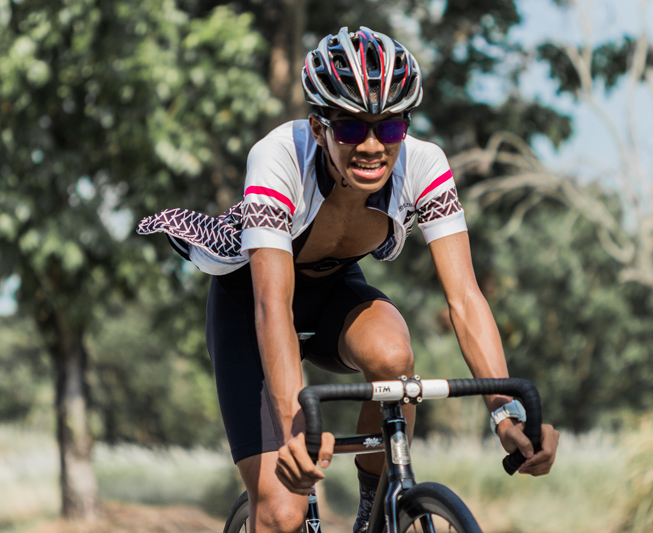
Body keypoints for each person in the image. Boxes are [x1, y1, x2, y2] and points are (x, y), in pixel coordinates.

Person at [137, 26, 559, 533]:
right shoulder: (278, 157)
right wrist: (295, 431)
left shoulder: (424, 165)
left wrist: (505, 413)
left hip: (333, 290)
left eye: (391, 128)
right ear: (318, 129)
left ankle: (373, 516)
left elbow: (466, 298)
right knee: (283, 512)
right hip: (253, 302)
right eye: (351, 129)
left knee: (394, 358)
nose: (373, 147)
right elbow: (273, 306)